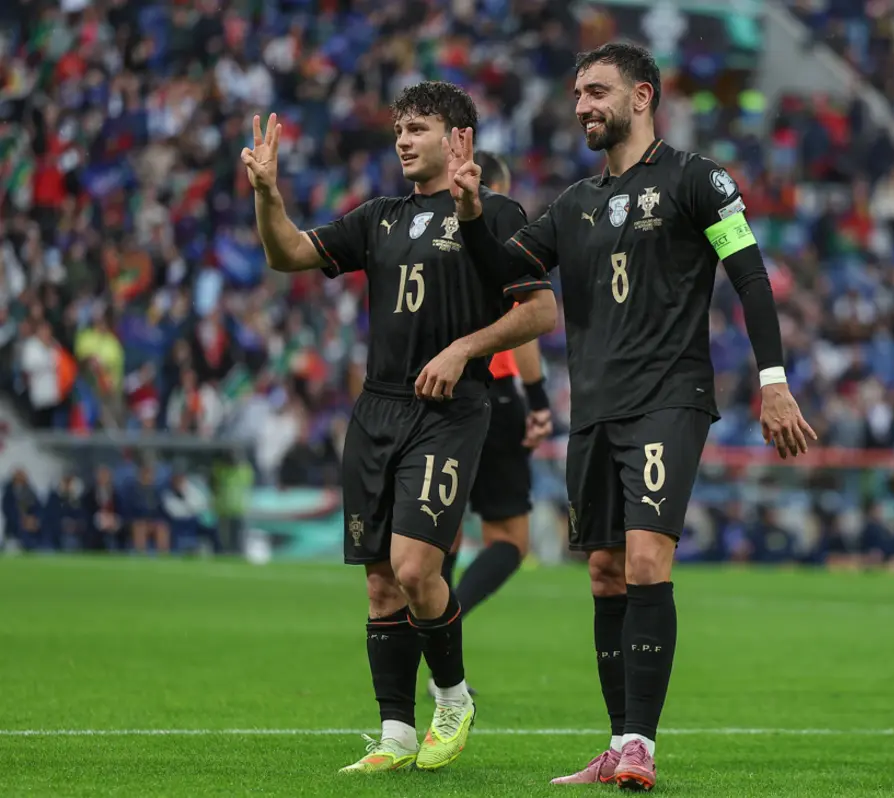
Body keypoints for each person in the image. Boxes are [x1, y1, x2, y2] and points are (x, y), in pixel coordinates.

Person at [441, 43, 816, 790]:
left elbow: (752, 279)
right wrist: (473, 210)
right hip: (597, 410)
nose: (582, 104)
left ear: (642, 96)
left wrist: (774, 382)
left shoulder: (697, 180)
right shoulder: (573, 205)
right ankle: (617, 744)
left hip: (670, 397)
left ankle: (642, 742)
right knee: (606, 572)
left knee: (646, 558)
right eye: (578, 92)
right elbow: (505, 273)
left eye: (597, 91)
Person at [241, 81, 556, 773]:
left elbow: (538, 314)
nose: (404, 140)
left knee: (418, 568)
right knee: (381, 582)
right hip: (377, 408)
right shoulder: (379, 217)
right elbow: (286, 254)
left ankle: (453, 697)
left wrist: (464, 348)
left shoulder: (497, 212)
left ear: (458, 139)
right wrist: (268, 192)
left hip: (451, 411)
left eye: (418, 128)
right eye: (399, 131)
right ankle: (395, 733)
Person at [434, 151, 554, 698]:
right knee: (510, 539)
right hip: (494, 391)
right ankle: (446, 623)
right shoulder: (500, 223)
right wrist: (536, 398)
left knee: (441, 529)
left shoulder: (425, 236)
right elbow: (521, 325)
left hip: (432, 389)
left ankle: (439, 662)